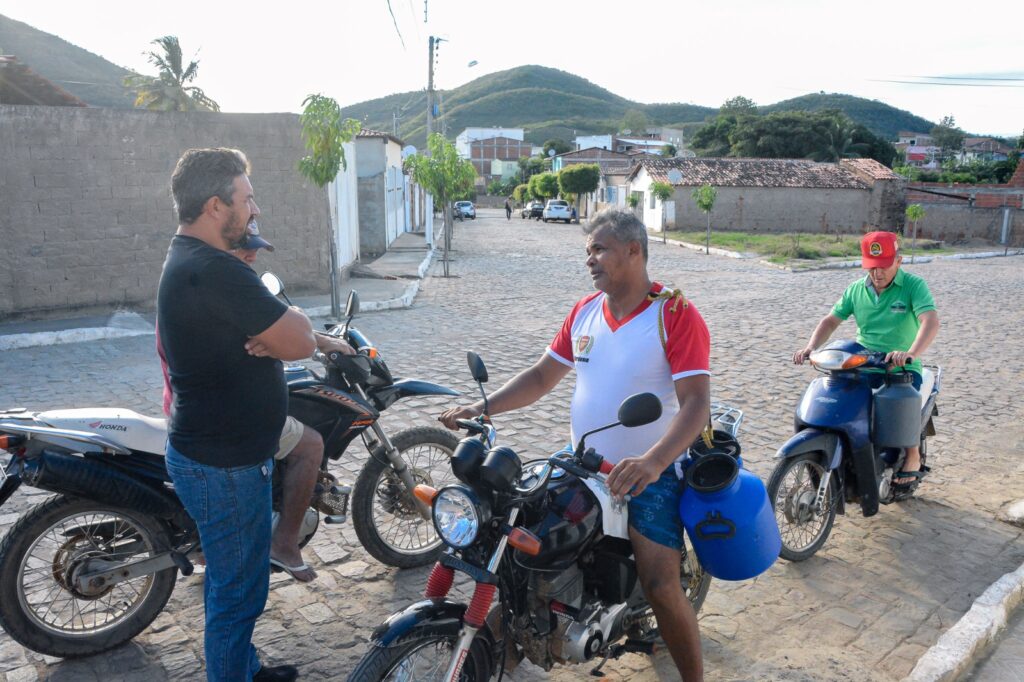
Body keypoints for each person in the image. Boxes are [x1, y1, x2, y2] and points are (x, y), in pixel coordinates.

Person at [440, 208, 711, 681]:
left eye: (600, 249)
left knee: (661, 582)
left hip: (651, 472)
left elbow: (695, 404)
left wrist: (652, 462)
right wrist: (484, 409)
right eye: (587, 251)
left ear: (633, 251)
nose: (590, 259)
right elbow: (543, 375)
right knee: (522, 541)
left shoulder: (675, 314)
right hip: (582, 463)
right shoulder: (585, 311)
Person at [158, 147, 315, 682]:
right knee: (237, 591)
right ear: (214, 207)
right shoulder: (214, 270)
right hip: (224, 467)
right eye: (246, 199)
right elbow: (300, 341)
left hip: (222, 456)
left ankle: (244, 668)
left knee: (238, 584)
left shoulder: (192, 260)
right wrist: (286, 328)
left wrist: (274, 335)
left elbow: (284, 340)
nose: (255, 210)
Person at [156, 221, 355, 584]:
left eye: (255, 246)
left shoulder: (194, 275)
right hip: (226, 429)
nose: (252, 253)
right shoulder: (223, 281)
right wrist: (297, 338)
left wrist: (305, 338)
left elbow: (283, 331)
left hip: (188, 409)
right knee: (310, 444)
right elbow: (291, 332)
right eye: (243, 246)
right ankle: (285, 544)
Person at [793, 230, 939, 496]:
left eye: (883, 266)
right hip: (862, 362)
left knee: (901, 397)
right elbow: (831, 320)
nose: (877, 274)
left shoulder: (913, 286)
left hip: (900, 366)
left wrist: (911, 354)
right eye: (872, 268)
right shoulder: (856, 290)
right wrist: (810, 347)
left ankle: (912, 454)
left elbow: (930, 320)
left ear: (899, 261)